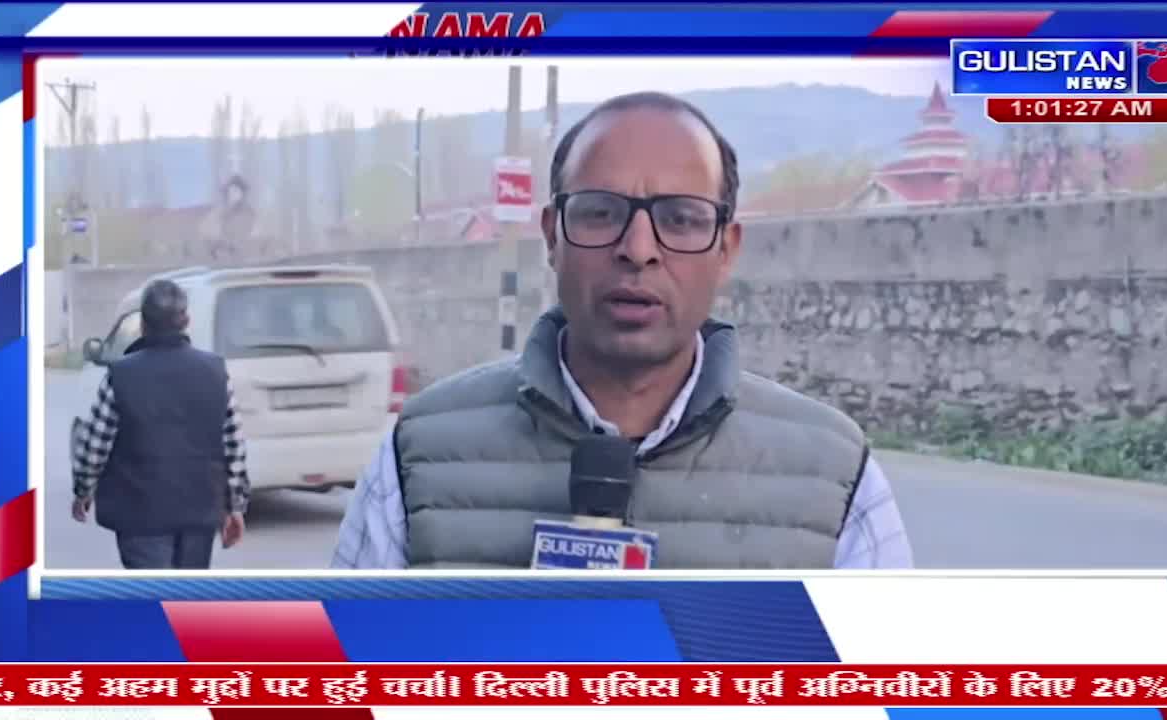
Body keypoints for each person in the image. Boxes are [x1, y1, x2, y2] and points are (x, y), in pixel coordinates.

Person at [332, 91, 912, 569]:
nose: (638, 250)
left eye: (680, 219)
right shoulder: (419, 460)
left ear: (726, 249)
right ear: (553, 236)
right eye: (600, 213)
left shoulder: (835, 481)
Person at [71, 279, 250, 569]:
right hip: (199, 513)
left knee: (151, 602)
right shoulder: (215, 372)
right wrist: (236, 506)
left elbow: (94, 446)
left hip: (139, 517)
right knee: (184, 604)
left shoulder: (121, 376)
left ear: (143, 323)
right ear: (186, 321)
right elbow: (233, 446)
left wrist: (83, 490)